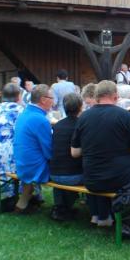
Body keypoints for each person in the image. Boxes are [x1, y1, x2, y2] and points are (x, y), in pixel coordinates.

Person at [71, 81, 130, 239]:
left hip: (91, 179)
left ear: (96, 97)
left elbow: (75, 152)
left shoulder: (84, 117)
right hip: (118, 179)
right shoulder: (124, 115)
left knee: (129, 168)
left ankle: (110, 216)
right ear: (116, 96)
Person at [13, 84, 55, 214]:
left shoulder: (24, 113)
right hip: (35, 168)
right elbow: (49, 152)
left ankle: (24, 203)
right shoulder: (40, 119)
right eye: (52, 98)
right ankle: (63, 206)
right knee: (66, 170)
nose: (54, 101)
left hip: (21, 163)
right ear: (43, 100)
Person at [48, 93, 86, 222]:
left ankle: (60, 208)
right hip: (73, 176)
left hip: (53, 173)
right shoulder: (82, 125)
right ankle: (66, 208)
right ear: (81, 107)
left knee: (63, 171)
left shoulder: (57, 126)